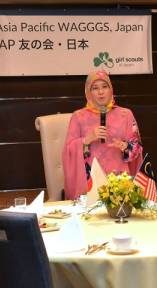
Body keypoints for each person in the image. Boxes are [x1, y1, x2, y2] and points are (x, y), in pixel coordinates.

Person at [62, 70, 143, 200]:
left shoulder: (125, 114)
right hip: (89, 183)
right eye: (95, 88)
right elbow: (68, 151)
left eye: (104, 87)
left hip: (120, 182)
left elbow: (137, 149)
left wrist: (125, 146)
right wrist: (87, 139)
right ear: (88, 92)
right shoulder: (78, 116)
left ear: (111, 89)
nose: (101, 92)